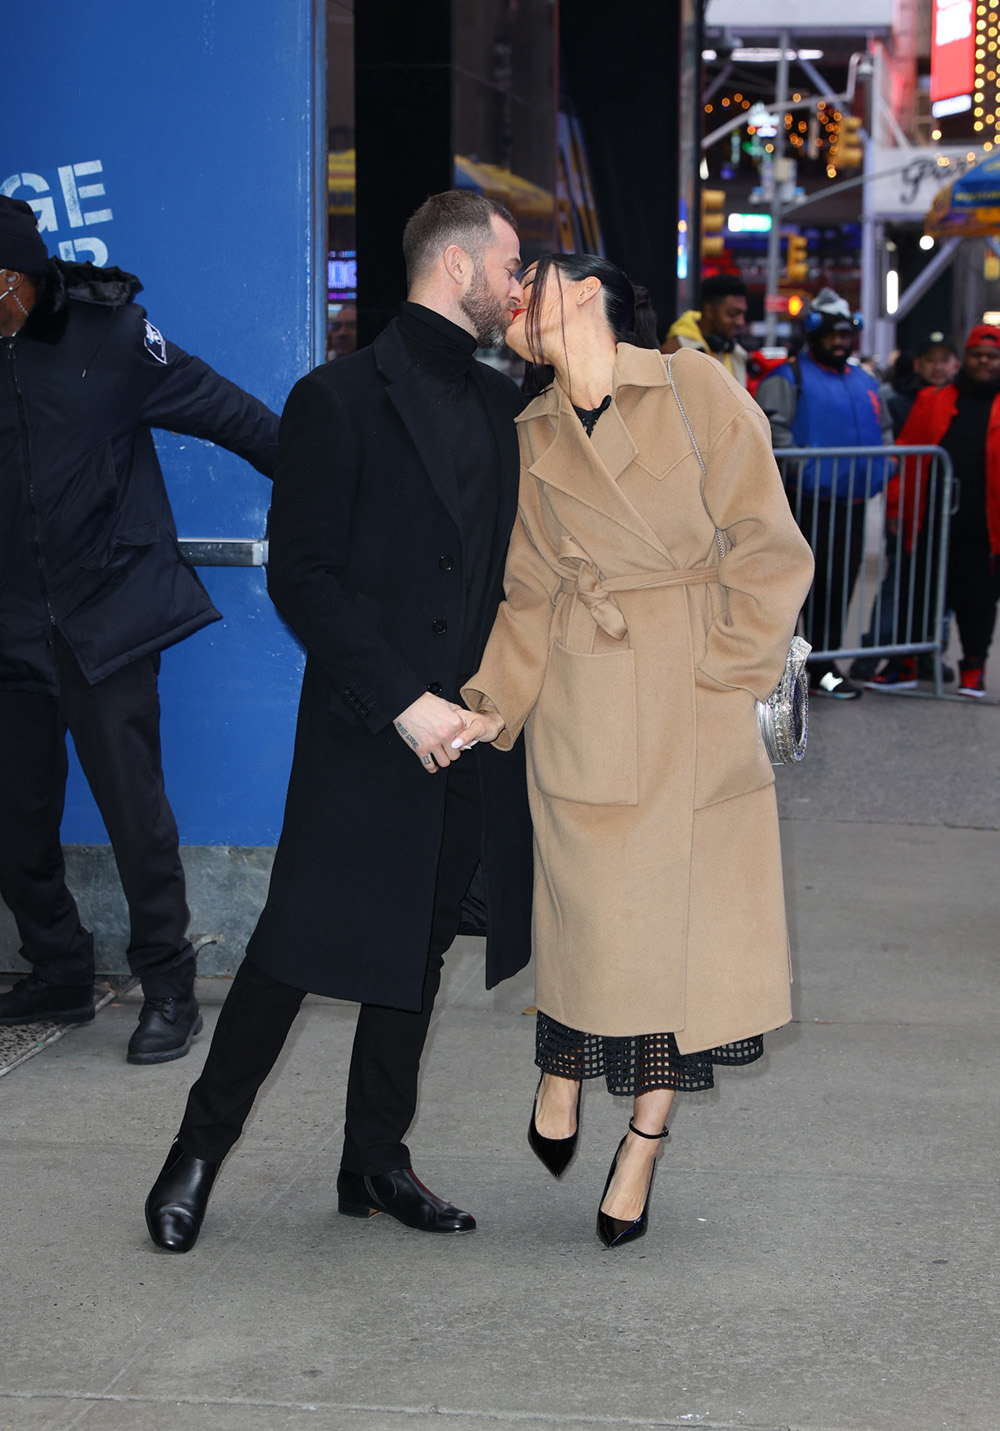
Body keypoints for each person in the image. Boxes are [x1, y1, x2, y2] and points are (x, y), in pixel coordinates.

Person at [144, 190, 533, 1253]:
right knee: (292, 951)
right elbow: (304, 580)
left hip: (467, 735)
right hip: (369, 728)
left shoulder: (507, 412)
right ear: (454, 268)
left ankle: (375, 1161)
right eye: (508, 265)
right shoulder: (337, 398)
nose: (518, 286)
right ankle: (195, 1152)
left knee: (417, 958)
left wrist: (479, 707)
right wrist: (404, 701)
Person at [458, 254, 814, 1249]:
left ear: (585, 294)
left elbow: (766, 540)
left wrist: (729, 671)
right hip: (584, 696)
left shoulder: (694, 385)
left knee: (678, 950)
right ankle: (561, 1068)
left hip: (691, 700)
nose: (514, 299)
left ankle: (642, 1144)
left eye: (530, 280)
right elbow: (528, 590)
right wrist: (490, 701)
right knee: (590, 922)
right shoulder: (527, 428)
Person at [0, 196, 280, 1063]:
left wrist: (326, 486)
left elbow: (234, 417)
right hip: (9, 631)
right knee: (14, 822)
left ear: (14, 280)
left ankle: (168, 983)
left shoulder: (112, 338)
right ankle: (57, 967)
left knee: (135, 814)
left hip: (107, 617)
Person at [756, 287, 892, 700]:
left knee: (839, 586)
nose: (840, 341)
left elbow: (883, 428)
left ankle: (825, 667)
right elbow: (769, 428)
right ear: (814, 333)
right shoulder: (788, 377)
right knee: (797, 589)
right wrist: (806, 466)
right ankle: (783, 672)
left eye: (845, 334)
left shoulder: (863, 380)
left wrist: (886, 464)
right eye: (832, 334)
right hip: (804, 503)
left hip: (850, 502)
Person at [883, 322, 1000, 698]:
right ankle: (911, 661)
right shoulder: (933, 400)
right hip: (933, 518)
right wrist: (897, 507)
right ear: (963, 359)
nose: (984, 361)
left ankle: (973, 668)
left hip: (985, 524)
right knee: (923, 591)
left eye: (992, 356)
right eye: (977, 355)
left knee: (979, 599)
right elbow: (907, 454)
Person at [856, 333, 960, 689]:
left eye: (944, 359)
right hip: (907, 505)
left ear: (954, 364)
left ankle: (929, 652)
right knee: (898, 580)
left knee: (941, 585)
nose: (938, 367)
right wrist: (896, 506)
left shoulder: (961, 399)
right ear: (917, 364)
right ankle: (872, 655)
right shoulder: (896, 400)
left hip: (947, 507)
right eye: (930, 359)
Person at [662, 273, 749, 387]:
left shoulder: (736, 353)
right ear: (709, 311)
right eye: (732, 314)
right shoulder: (673, 352)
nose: (740, 322)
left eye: (743, 314)